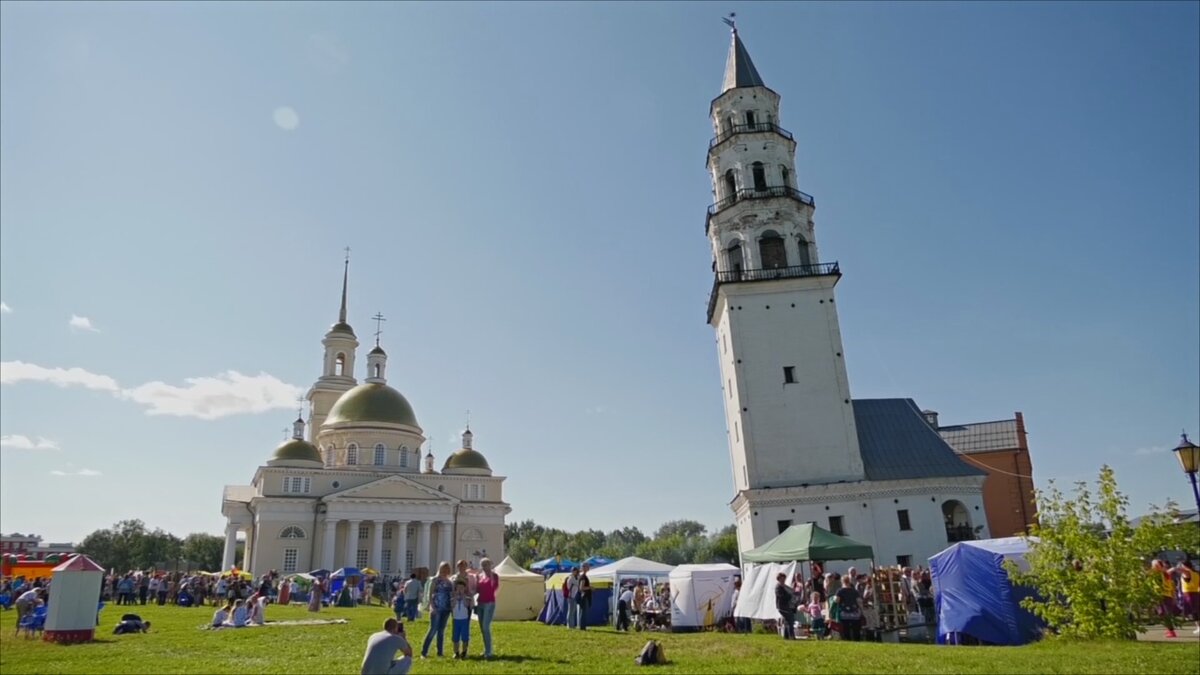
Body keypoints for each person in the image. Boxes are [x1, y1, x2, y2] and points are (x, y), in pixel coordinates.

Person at [421, 562, 454, 658]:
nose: (445, 571)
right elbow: (430, 594)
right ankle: (424, 652)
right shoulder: (435, 580)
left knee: (441, 631)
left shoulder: (449, 582)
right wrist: (432, 606)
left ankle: (440, 652)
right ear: (440, 569)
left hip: (446, 608)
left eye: (447, 569)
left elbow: (451, 595)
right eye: (443, 568)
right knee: (433, 629)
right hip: (436, 608)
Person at [475, 557, 500, 658]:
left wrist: (491, 576)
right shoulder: (480, 576)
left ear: (490, 565)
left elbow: (494, 587)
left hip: (489, 603)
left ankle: (489, 651)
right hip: (480, 603)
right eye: (483, 565)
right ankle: (486, 649)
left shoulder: (494, 576)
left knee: (485, 627)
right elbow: (477, 589)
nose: (485, 567)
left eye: (486, 564)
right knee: (482, 628)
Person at [1151, 560, 1178, 638]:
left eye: (1154, 565)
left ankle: (1171, 631)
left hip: (1163, 595)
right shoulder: (1164, 573)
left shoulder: (1160, 574)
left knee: (1164, 614)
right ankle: (1169, 629)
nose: (1152, 567)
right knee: (1162, 613)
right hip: (1165, 595)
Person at [833, 574, 863, 642]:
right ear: (849, 581)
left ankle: (848, 640)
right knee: (856, 629)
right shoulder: (854, 591)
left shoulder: (840, 591)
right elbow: (859, 601)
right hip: (855, 613)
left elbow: (836, 600)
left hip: (844, 613)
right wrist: (861, 610)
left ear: (842, 581)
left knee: (846, 629)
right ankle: (857, 641)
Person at [450, 579, 475, 659]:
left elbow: (467, 605)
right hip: (456, 620)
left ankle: (464, 652)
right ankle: (456, 652)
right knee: (455, 637)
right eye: (458, 588)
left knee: (465, 637)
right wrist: (455, 597)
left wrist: (464, 597)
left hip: (464, 620)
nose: (460, 590)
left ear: (464, 589)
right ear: (456, 589)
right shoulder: (453, 598)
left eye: (462, 588)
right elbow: (452, 606)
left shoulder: (467, 598)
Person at [1178, 560, 1200, 635]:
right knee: (1196, 610)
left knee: (1194, 611)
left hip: (1189, 593)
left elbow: (1181, 570)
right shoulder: (1196, 573)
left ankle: (1198, 626)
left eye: (1182, 565)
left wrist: (1175, 568)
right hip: (1196, 593)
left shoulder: (1187, 573)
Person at [775, 573, 795, 640]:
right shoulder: (778, 587)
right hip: (781, 606)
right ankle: (791, 636)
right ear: (779, 579)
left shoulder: (784, 587)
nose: (783, 580)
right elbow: (781, 596)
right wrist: (789, 595)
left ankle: (786, 636)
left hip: (786, 605)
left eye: (784, 578)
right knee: (790, 620)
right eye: (782, 579)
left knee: (788, 620)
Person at [577, 563, 593, 631]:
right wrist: (590, 587)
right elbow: (581, 588)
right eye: (587, 566)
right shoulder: (583, 577)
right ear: (584, 568)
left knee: (583, 612)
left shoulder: (583, 576)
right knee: (583, 612)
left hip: (584, 596)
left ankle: (582, 626)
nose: (589, 567)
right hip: (584, 596)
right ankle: (582, 627)